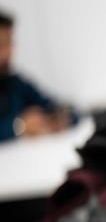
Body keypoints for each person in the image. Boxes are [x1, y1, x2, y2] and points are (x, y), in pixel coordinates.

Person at [0, 10, 74, 141]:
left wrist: (59, 117)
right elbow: (18, 126)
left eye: (10, 42)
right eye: (1, 45)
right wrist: (18, 126)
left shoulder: (15, 84)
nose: (9, 51)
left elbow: (55, 105)